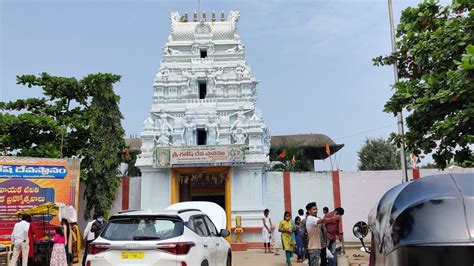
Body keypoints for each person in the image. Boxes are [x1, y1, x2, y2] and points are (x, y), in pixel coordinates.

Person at [305, 202, 323, 266]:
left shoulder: (315, 219)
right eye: (313, 209)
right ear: (309, 211)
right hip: (314, 248)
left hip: (316, 248)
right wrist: (333, 218)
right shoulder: (311, 218)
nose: (315, 211)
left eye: (316, 209)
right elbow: (323, 221)